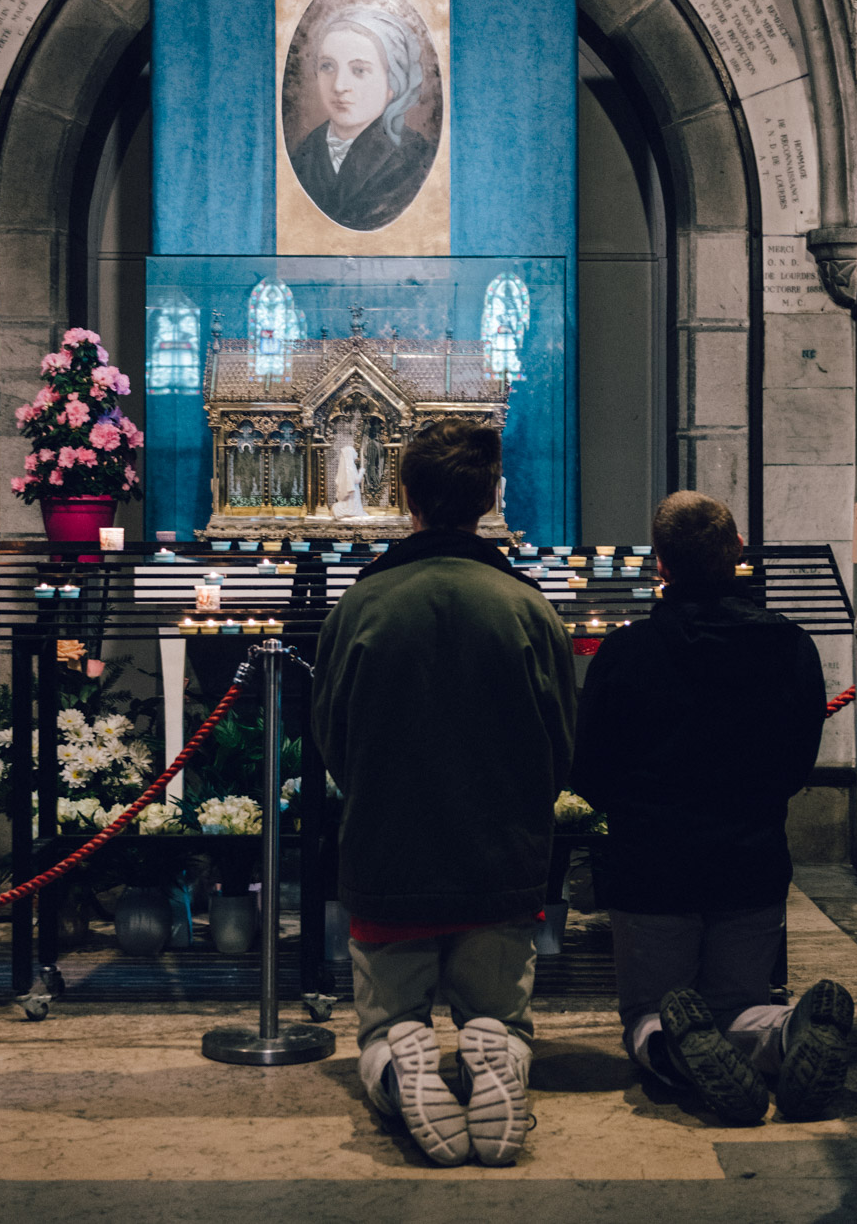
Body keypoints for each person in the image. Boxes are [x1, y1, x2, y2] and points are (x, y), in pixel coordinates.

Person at [311, 418, 576, 1166]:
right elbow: (560, 741)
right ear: (490, 497)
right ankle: (498, 1053)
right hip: (501, 864)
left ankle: (403, 1062)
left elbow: (331, 737)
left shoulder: (361, 606)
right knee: (501, 1012)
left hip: (390, 862)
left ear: (403, 496)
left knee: (383, 1021)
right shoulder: (526, 606)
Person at [571, 490, 854, 1124]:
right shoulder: (789, 646)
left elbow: (588, 767)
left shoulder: (628, 651)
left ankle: (676, 1052)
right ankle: (784, 1035)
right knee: (740, 1002)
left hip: (650, 869)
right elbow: (796, 760)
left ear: (660, 565)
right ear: (737, 552)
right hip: (749, 862)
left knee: (647, 1010)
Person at [288, 6, 436, 231]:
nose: (339, 86)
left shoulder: (414, 159)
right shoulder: (303, 153)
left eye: (359, 70)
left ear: (393, 84)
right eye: (327, 67)